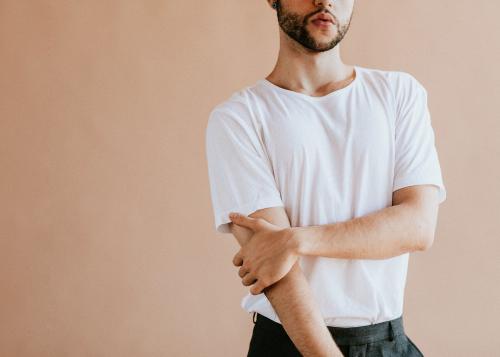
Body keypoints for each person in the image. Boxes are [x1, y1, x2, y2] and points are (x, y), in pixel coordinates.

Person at [205, 0, 445, 355]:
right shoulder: (239, 118)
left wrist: (294, 241)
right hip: (291, 343)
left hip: (387, 343)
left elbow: (418, 226)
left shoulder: (398, 95)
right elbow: (275, 269)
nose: (324, 1)